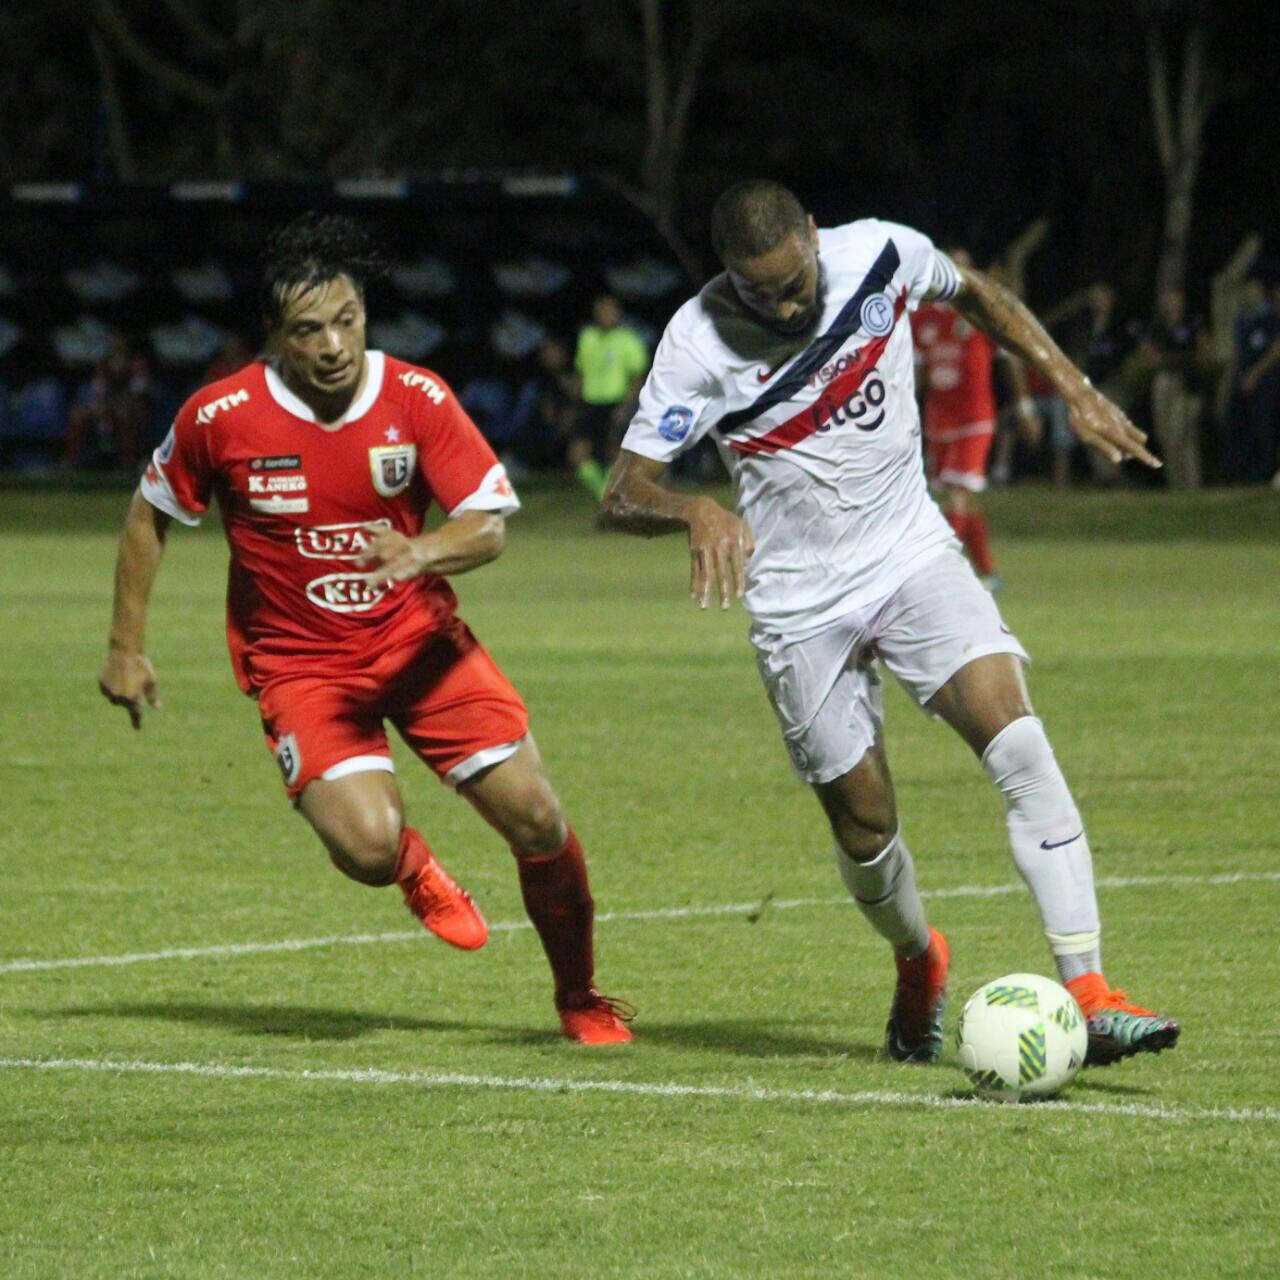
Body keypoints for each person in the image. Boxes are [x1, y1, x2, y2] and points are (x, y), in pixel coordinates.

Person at [601, 179, 1178, 1068]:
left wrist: (1075, 387)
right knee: (865, 829)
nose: (788, 303)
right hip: (798, 604)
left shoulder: (878, 252)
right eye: (763, 292)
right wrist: (692, 511)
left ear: (814, 237)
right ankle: (919, 960)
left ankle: (1092, 992)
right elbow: (621, 491)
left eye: (797, 282)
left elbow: (977, 291)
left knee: (1019, 744)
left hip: (909, 554)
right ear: (728, 277)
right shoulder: (697, 341)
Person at [97, 213, 632, 1045]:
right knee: (368, 849)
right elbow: (149, 513)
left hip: (421, 649)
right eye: (308, 329)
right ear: (275, 337)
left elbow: (489, 522)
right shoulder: (222, 414)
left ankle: (581, 996)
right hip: (302, 668)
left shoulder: (415, 397)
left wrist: (422, 551)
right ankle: (412, 866)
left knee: (537, 819)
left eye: (347, 319)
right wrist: (126, 647)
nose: (334, 344)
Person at [911, 249, 1036, 590]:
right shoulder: (923, 318)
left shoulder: (982, 312)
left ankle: (938, 578)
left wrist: (1024, 407)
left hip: (975, 416)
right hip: (939, 419)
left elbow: (1009, 358)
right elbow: (918, 375)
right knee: (960, 496)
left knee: (957, 494)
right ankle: (988, 573)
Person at [572, 294, 649, 500]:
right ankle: (604, 495)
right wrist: (575, 402)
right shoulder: (587, 337)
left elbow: (637, 376)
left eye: (610, 310)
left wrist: (626, 406)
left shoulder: (628, 340)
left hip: (615, 402)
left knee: (612, 453)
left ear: (617, 313)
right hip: (589, 403)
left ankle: (612, 501)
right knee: (578, 455)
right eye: (601, 310)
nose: (605, 315)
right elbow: (580, 371)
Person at [63, 333, 152, 470]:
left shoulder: (137, 364)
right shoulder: (103, 365)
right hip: (108, 406)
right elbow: (99, 392)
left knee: (124, 414)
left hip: (133, 407)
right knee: (79, 414)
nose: (116, 345)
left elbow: (139, 395)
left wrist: (116, 404)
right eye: (113, 342)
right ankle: (71, 462)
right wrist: (102, 406)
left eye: (119, 342)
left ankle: (128, 463)